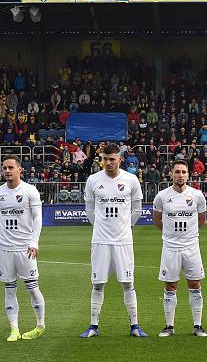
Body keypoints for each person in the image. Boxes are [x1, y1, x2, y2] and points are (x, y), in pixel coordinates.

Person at [80, 143, 147, 338]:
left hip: (123, 240)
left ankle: (134, 325)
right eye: (104, 159)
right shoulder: (93, 180)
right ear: (101, 159)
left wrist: (127, 227)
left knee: (128, 283)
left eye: (112, 159)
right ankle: (93, 325)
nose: (108, 162)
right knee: (98, 284)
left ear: (120, 159)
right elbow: (90, 210)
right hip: (100, 240)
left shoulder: (131, 179)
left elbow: (137, 209)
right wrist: (100, 227)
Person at [0, 155, 45, 341]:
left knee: (32, 287)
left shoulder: (30, 190)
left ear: (20, 170)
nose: (7, 171)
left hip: (25, 248)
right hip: (5, 248)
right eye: (4, 167)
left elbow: (38, 218)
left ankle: (39, 326)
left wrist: (34, 242)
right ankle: (14, 329)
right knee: (9, 288)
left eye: (11, 167)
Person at [152, 160, 207, 337]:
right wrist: (171, 234)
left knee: (195, 284)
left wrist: (189, 235)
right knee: (170, 285)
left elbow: (201, 219)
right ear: (171, 174)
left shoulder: (197, 195)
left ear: (188, 175)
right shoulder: (161, 196)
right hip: (170, 246)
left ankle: (198, 325)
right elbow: (157, 219)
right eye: (177, 172)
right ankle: (169, 326)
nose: (180, 175)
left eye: (183, 172)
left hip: (191, 246)